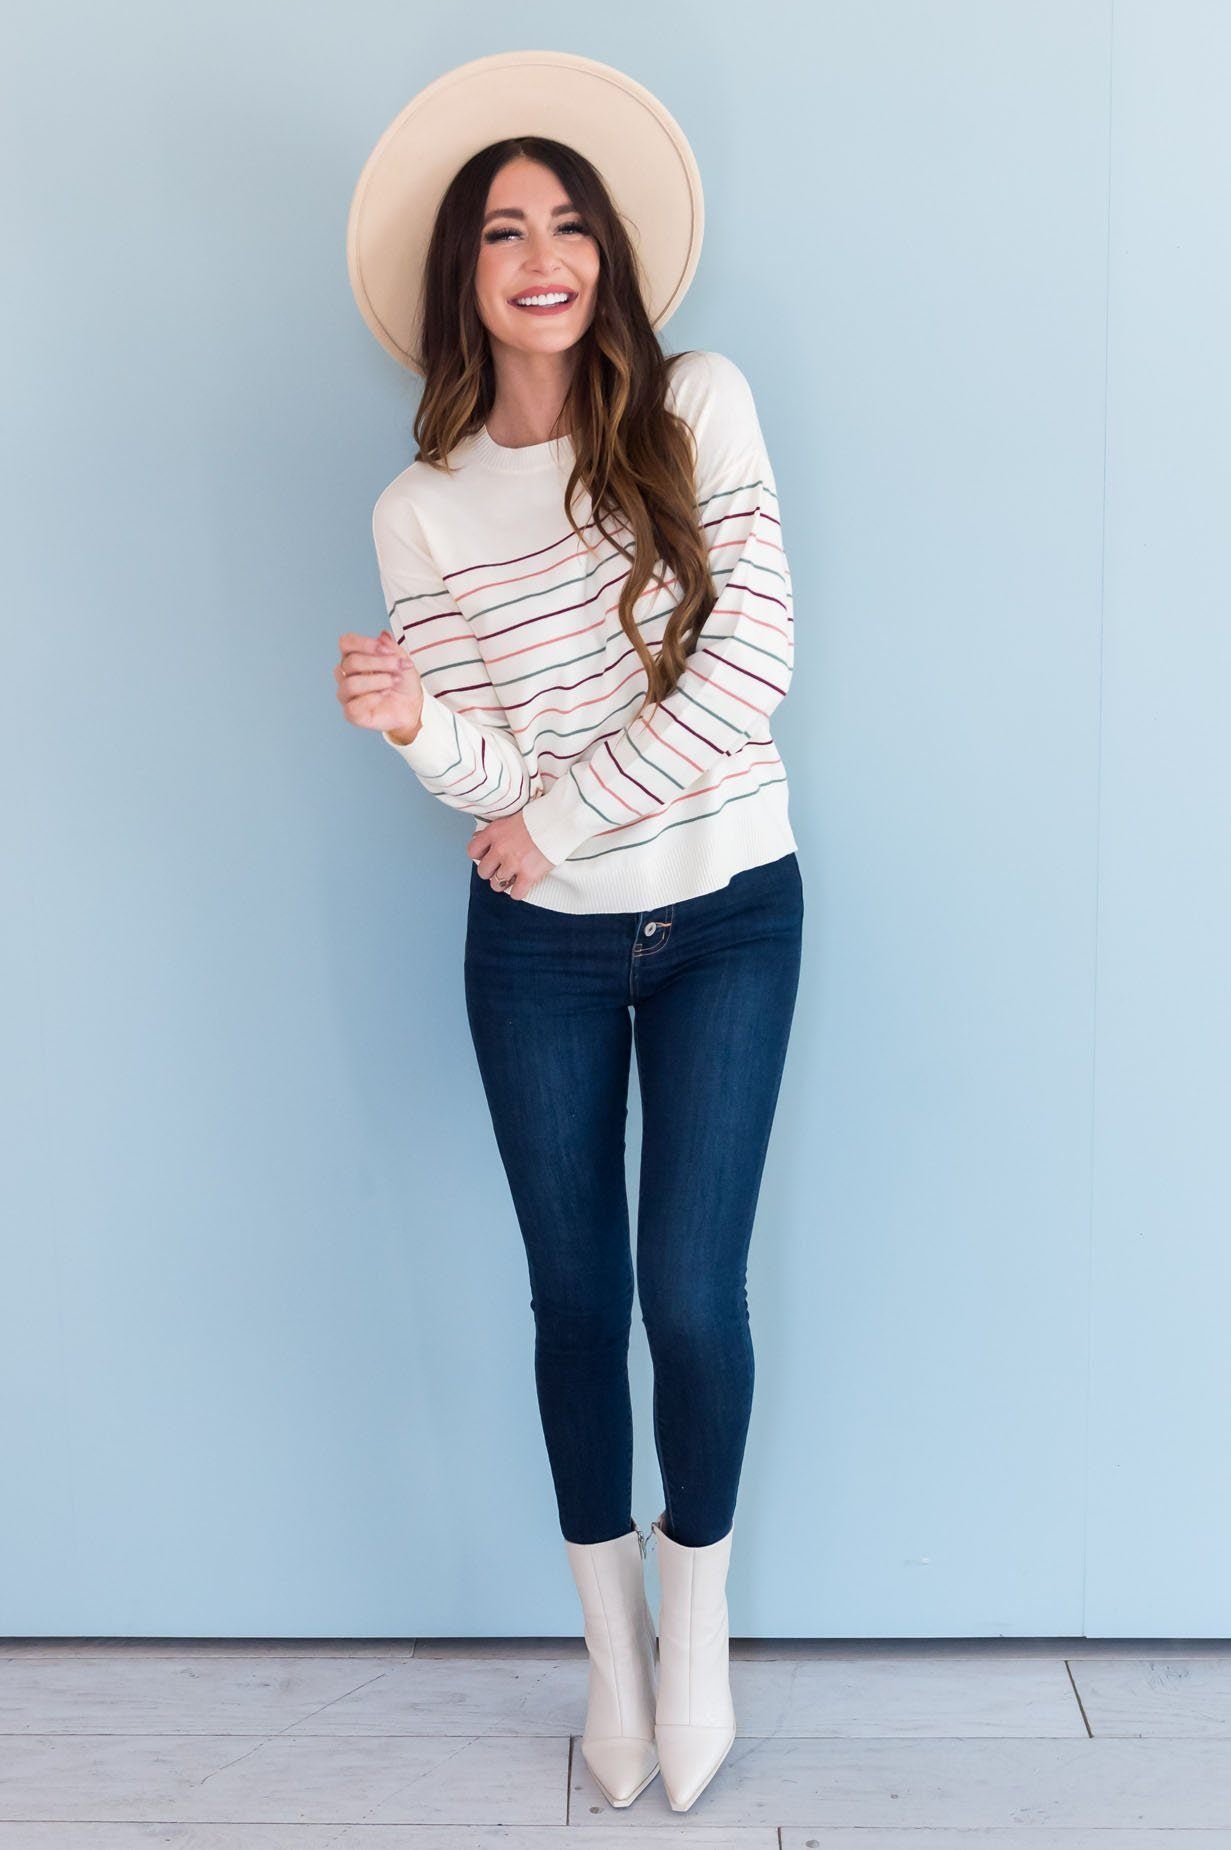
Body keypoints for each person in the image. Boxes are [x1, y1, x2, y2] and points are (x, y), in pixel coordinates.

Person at [336, 51, 803, 1815]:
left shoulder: (703, 407)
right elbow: (489, 778)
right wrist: (415, 728)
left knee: (689, 1292)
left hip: (731, 912)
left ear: (608, 251)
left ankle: (699, 1631)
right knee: (574, 1299)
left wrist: (553, 814)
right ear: (463, 277)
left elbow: (750, 671)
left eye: (567, 222)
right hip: (536, 945)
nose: (542, 256)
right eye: (503, 232)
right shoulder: (421, 506)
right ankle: (609, 1653)